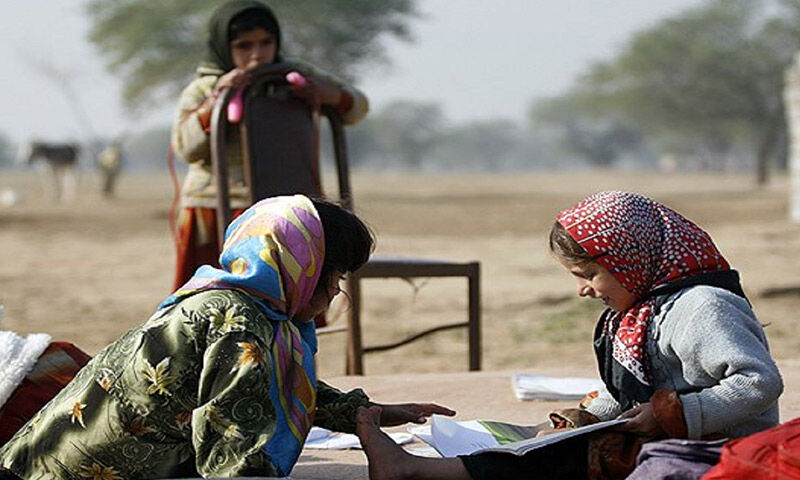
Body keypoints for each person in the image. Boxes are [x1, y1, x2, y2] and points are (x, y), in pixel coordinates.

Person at [0, 195, 454, 479]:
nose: (336, 292)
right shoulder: (240, 327)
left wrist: (365, 412)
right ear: (301, 269)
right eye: (334, 276)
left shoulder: (243, 304)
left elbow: (270, 388)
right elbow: (236, 453)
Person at [355, 191, 783, 480]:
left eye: (589, 274)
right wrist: (579, 419)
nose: (583, 290)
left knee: (579, 456)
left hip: (724, 449)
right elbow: (630, 385)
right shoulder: (642, 311)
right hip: (670, 436)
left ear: (629, 259)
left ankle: (416, 471)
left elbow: (758, 382)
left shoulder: (704, 307)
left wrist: (671, 414)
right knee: (552, 441)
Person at [171, 0, 368, 291]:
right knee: (215, 297)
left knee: (293, 297)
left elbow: (357, 107)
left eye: (266, 43)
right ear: (225, 47)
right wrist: (218, 101)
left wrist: (326, 95)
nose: (257, 54)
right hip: (216, 206)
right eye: (244, 46)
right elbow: (186, 147)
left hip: (284, 207)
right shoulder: (206, 87)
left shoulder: (291, 75)